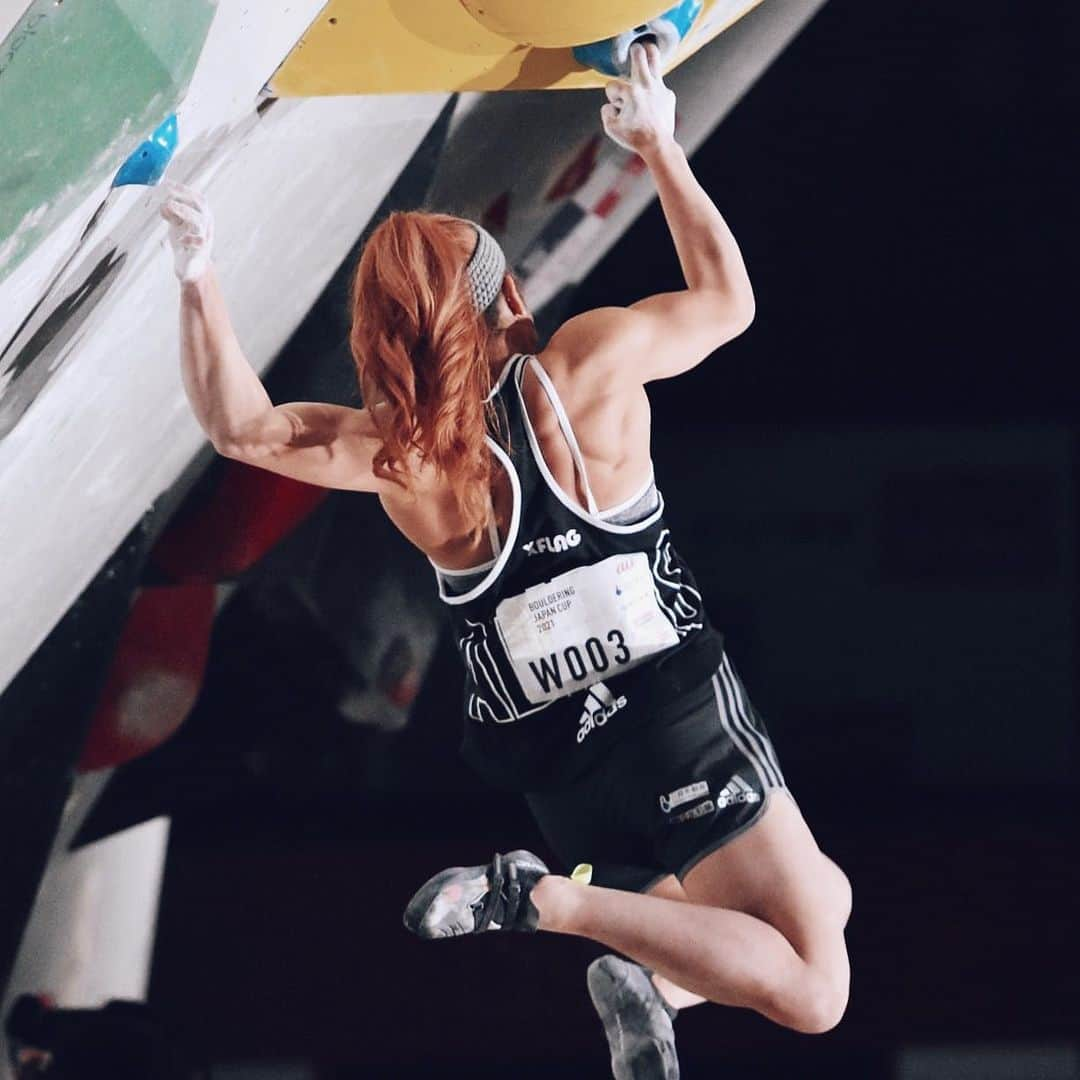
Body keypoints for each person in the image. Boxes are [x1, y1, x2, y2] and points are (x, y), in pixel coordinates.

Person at [162, 43, 852, 1079]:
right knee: (814, 987)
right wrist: (660, 148)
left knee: (827, 894)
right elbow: (728, 302)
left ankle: (649, 979)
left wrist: (195, 270)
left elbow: (244, 431)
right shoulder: (584, 366)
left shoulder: (401, 461)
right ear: (504, 294)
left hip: (557, 767)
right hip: (668, 723)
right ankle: (553, 904)